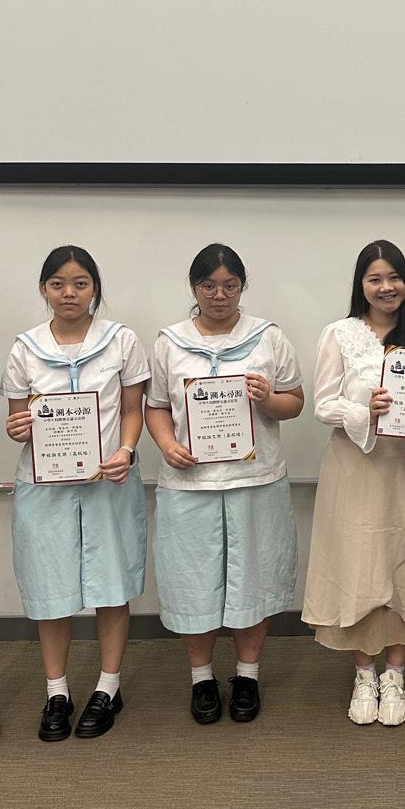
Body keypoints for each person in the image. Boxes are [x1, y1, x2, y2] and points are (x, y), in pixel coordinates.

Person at [145, 244, 304, 724]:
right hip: (189, 484)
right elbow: (155, 407)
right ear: (194, 288)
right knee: (192, 584)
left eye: (229, 286)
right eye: (208, 286)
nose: (219, 295)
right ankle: (201, 678)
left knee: (254, 579)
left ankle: (247, 675)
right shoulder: (169, 342)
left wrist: (268, 400)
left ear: (242, 286)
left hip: (255, 481)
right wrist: (167, 444)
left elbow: (295, 401)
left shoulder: (268, 337)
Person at [303, 241, 405, 726]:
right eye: (375, 279)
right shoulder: (340, 333)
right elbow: (323, 404)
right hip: (357, 469)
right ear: (361, 285)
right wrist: (363, 410)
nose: (386, 287)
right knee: (360, 568)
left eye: (394, 277)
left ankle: (395, 675)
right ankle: (364, 673)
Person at [3, 247, 149, 742]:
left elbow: (133, 410)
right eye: (58, 284)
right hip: (44, 488)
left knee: (111, 584)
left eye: (81, 283)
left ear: (95, 289)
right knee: (51, 591)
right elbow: (17, 421)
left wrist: (126, 451)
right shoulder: (25, 348)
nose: (69, 293)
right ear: (44, 289)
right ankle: (57, 692)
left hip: (109, 482)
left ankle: (109, 686)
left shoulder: (121, 340)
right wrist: (18, 428)